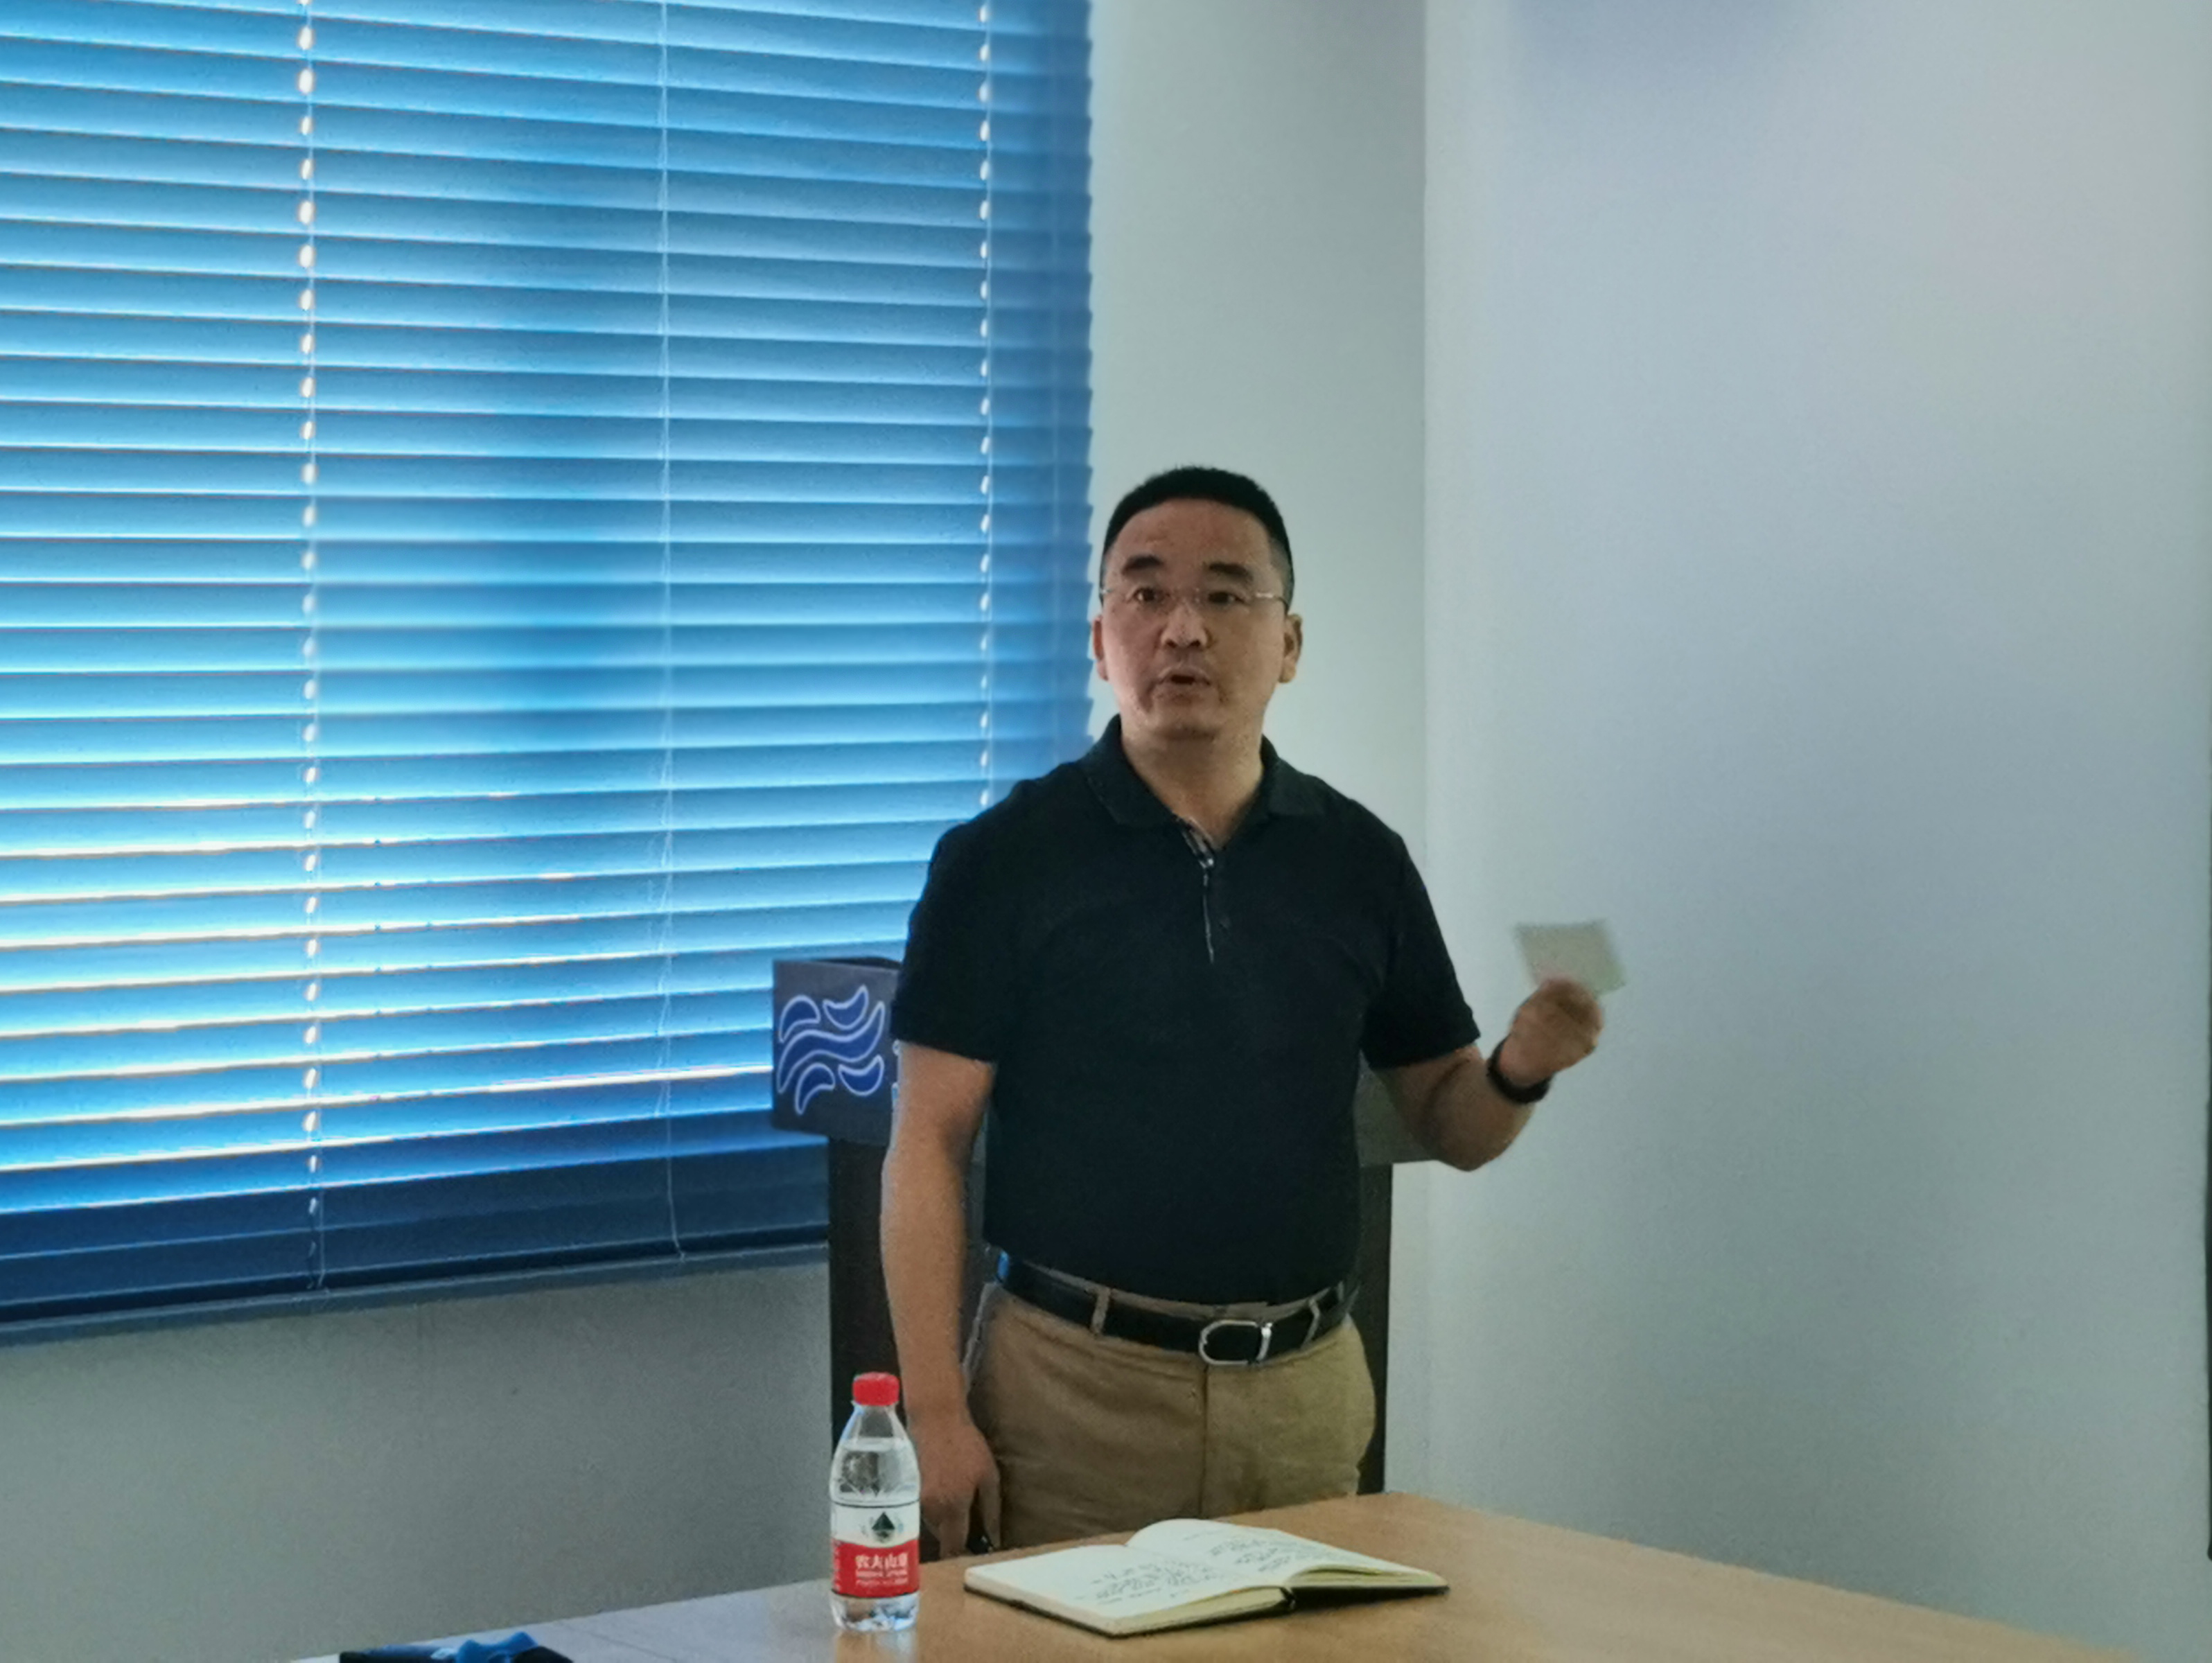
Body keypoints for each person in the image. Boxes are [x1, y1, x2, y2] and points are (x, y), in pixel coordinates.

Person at [880, 466, 1603, 1553]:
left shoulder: (1359, 862)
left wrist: (1519, 1068)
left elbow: (1453, 1124)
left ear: (1290, 644)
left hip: (1306, 1392)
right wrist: (933, 1412)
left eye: (1226, 595)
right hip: (1074, 1395)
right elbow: (927, 1144)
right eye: (1146, 593)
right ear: (1102, 640)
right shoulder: (1003, 860)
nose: (1183, 629)